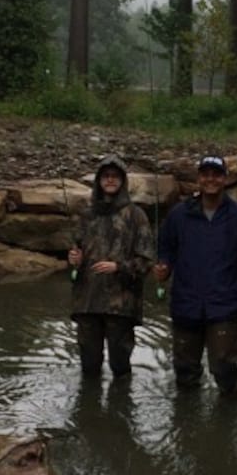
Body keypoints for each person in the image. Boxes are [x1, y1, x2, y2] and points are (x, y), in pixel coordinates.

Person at [154, 155, 237, 395]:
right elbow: (165, 248)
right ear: (198, 178)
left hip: (224, 305)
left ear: (224, 179)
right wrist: (163, 266)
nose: (210, 179)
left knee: (224, 369)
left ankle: (229, 422)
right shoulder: (178, 215)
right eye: (205, 174)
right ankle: (187, 426)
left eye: (216, 174)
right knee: (184, 371)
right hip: (186, 304)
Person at [68, 155, 155, 378]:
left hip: (121, 305)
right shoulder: (86, 215)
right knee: (89, 366)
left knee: (120, 366)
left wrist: (118, 267)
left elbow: (146, 261)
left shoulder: (136, 216)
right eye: (105, 176)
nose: (110, 180)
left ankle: (121, 409)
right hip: (87, 302)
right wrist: (73, 260)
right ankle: (89, 411)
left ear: (123, 181)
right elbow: (75, 252)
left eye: (115, 176)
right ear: (98, 181)